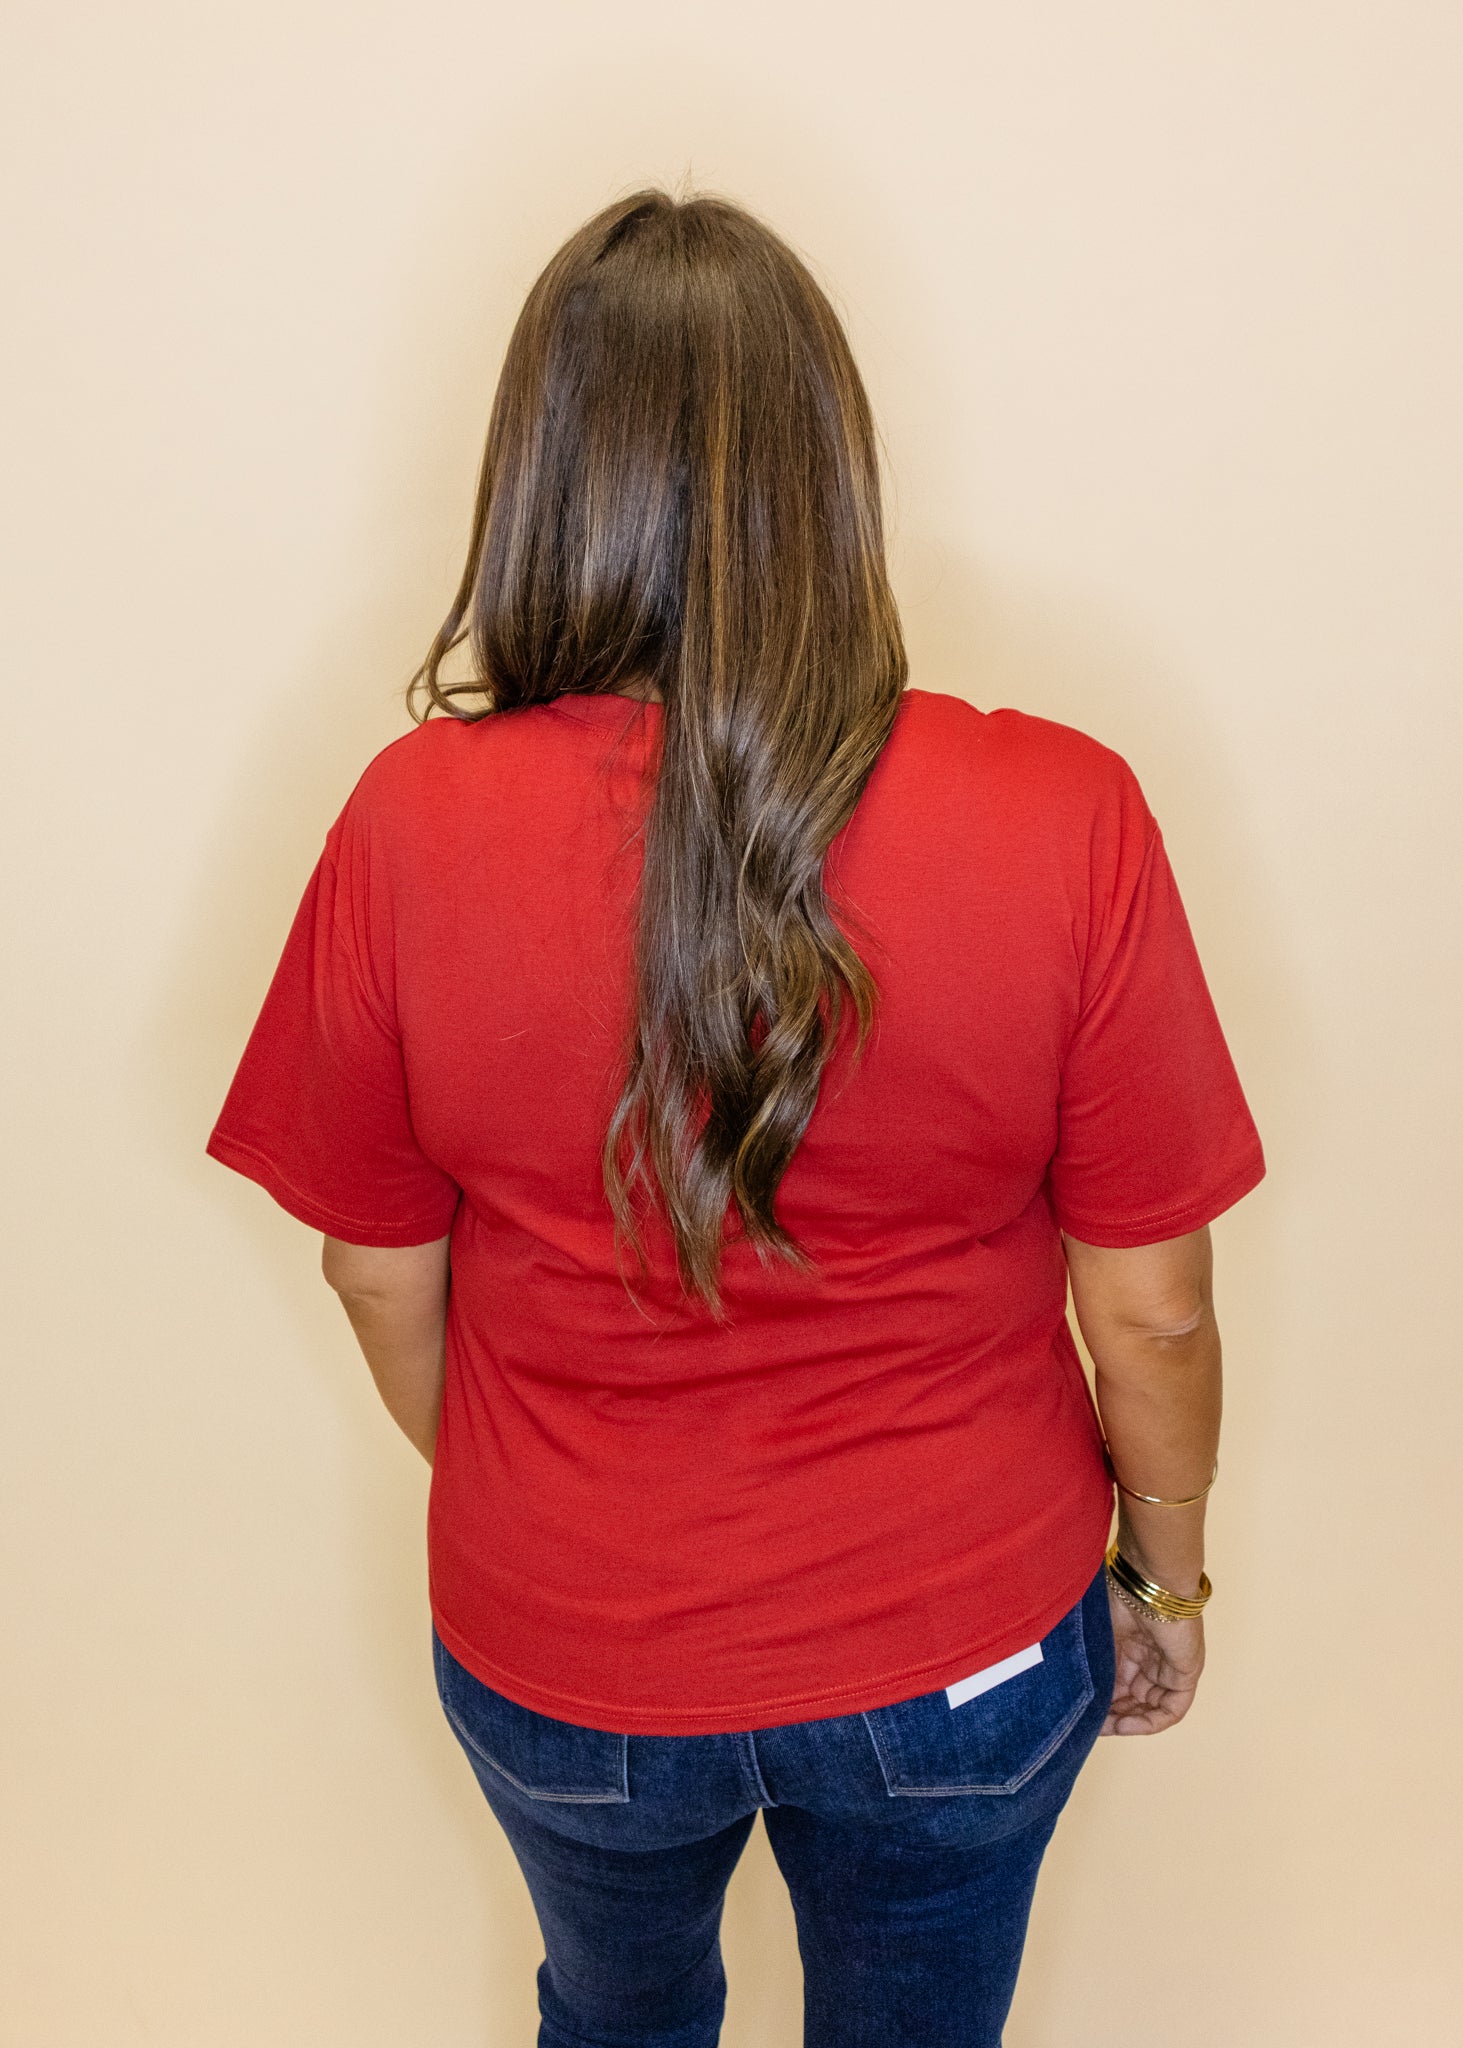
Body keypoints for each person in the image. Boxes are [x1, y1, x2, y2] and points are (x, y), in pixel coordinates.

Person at [206, 188, 1265, 2047]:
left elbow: (375, 1275)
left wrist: (556, 1496)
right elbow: (1154, 1309)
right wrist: (1166, 1568)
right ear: (829, 471)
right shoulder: (1065, 812)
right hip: (968, 1650)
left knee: (613, 2021)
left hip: (565, 1652)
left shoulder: (404, 827)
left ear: (543, 476)